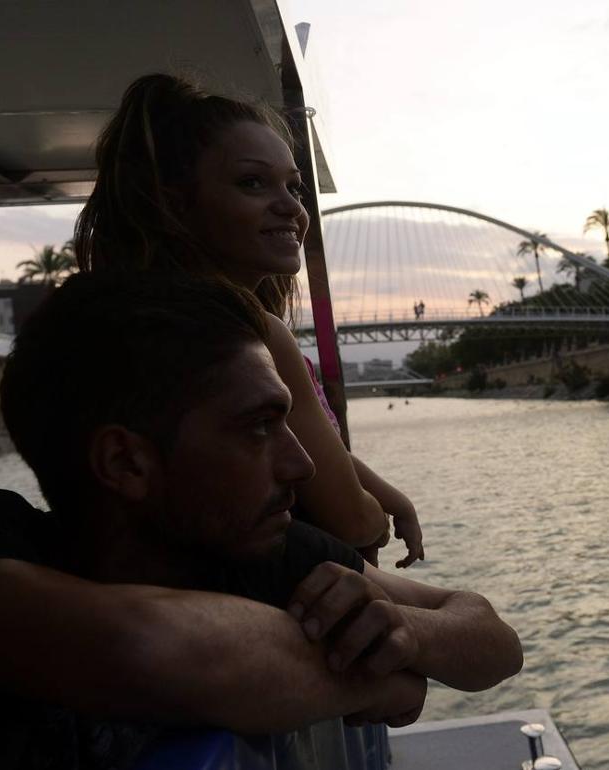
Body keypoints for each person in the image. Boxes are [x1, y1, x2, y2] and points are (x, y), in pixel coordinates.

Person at [0, 272, 522, 767]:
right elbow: (157, 646)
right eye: (259, 428)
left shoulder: (255, 546)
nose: (301, 466)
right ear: (126, 462)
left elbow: (492, 640)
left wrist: (407, 632)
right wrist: (380, 682)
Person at [73, 73, 423, 568]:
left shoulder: (153, 322)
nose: (291, 208)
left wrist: (385, 492)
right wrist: (371, 518)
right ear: (174, 202)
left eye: (294, 187)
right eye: (252, 183)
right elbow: (349, 521)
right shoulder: (255, 336)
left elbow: (309, 444)